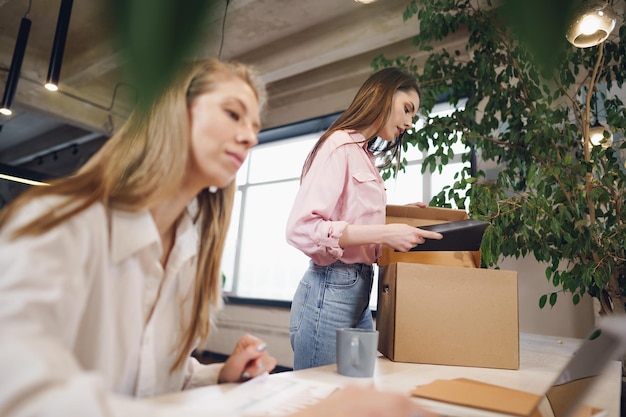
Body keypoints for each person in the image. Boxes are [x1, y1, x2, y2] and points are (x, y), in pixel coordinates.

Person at [0, 58, 435, 417]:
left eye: (254, 124)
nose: (250, 135)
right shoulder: (60, 223)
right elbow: (18, 392)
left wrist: (217, 376)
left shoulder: (190, 248)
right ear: (175, 111)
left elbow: (154, 377)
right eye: (233, 113)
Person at [286, 67, 444, 370]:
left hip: (360, 290)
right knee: (320, 401)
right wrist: (385, 233)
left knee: (353, 394)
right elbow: (301, 228)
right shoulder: (338, 145)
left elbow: (353, 218)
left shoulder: (363, 156)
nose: (410, 123)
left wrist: (398, 216)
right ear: (382, 95)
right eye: (407, 110)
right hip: (331, 289)